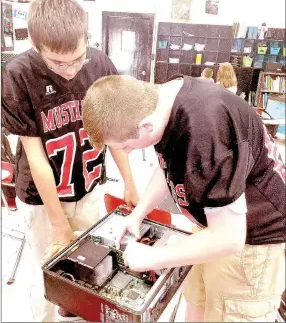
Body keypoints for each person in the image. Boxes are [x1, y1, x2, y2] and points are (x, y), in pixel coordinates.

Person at [82, 74, 285, 322]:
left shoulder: (206, 132)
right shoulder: (163, 100)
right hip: (210, 222)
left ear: (146, 125)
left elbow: (230, 239)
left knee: (228, 313)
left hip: (251, 242)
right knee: (197, 302)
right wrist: (137, 214)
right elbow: (168, 165)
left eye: (126, 145)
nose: (126, 151)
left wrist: (153, 257)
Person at [1, 0, 139, 322]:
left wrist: (131, 184)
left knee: (91, 271)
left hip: (88, 187)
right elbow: (36, 158)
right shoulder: (18, 74)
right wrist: (58, 224)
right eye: (57, 63)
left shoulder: (100, 65)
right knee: (50, 277)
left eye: (77, 58)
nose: (70, 70)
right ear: (36, 46)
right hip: (42, 198)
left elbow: (113, 132)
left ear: (85, 39)